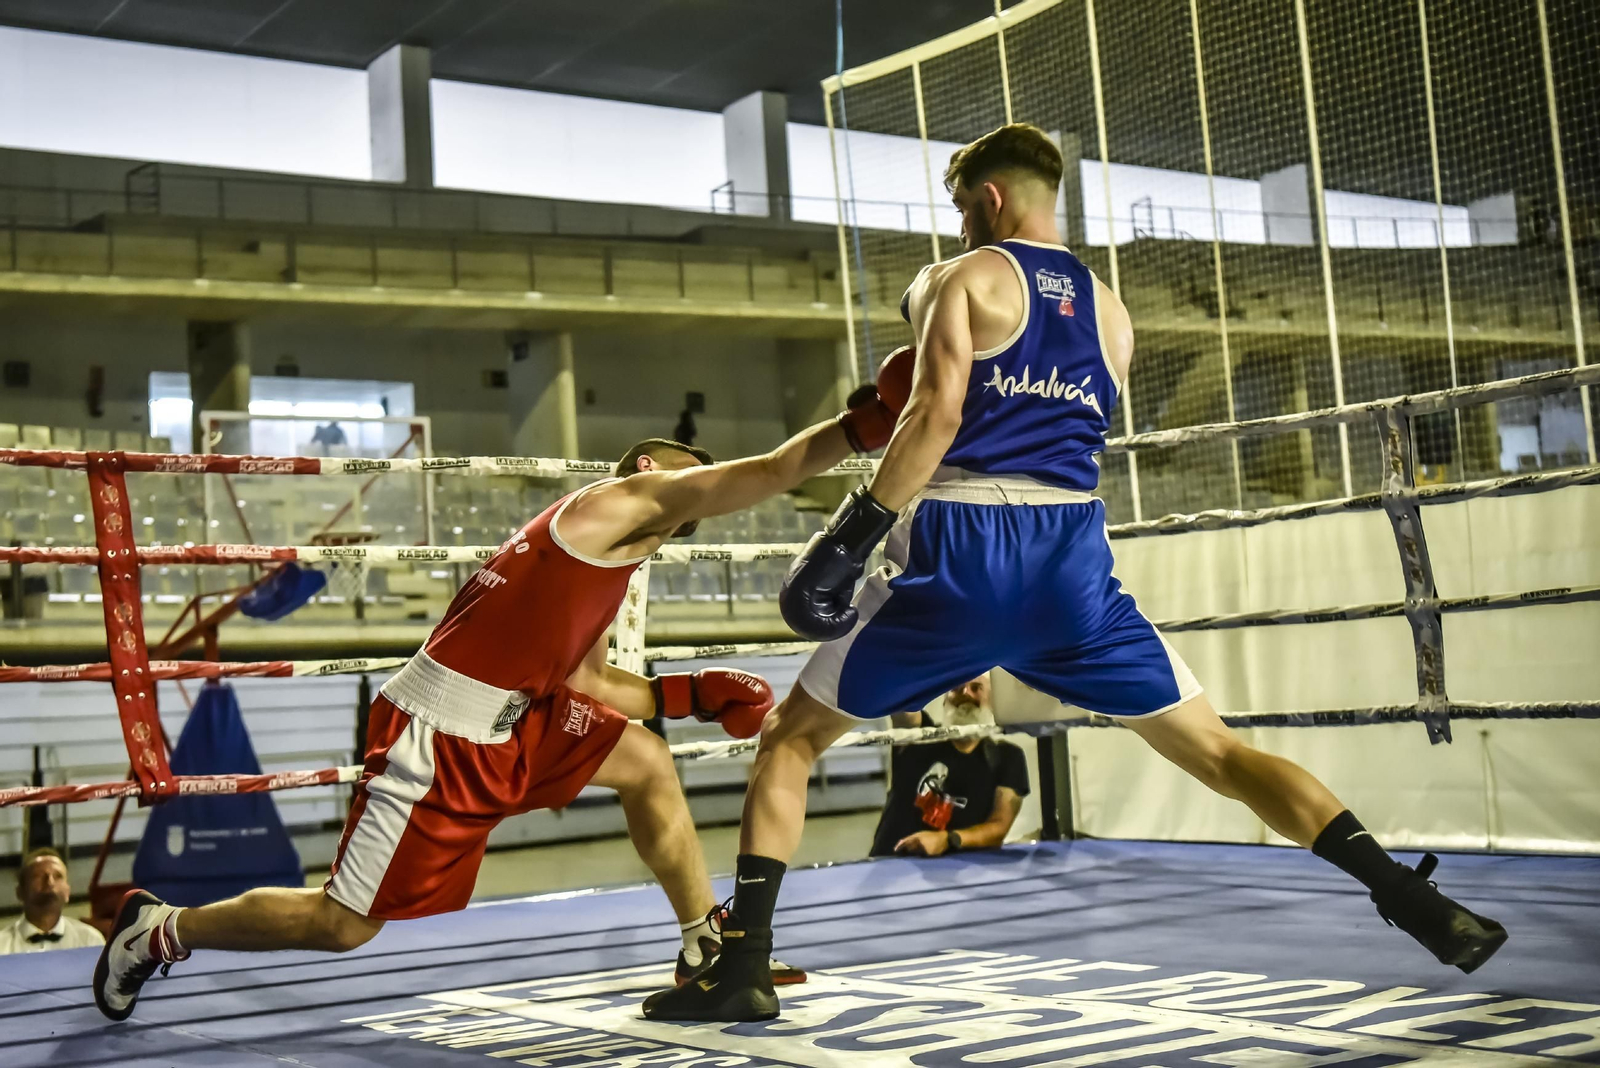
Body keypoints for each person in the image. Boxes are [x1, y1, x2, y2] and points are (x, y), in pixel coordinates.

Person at [644, 123, 1507, 1023]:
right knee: (1221, 753)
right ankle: (1409, 896)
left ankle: (743, 968)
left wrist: (848, 538)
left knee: (790, 739)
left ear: (987, 199)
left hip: (961, 547)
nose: (961, 224)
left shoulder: (959, 278)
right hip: (1070, 555)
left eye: (961, 208)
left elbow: (935, 417)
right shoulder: (1113, 314)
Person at [92, 354, 913, 1022]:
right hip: (439, 733)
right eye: (692, 476)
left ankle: (703, 942)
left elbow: (590, 682)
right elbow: (769, 471)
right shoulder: (618, 498)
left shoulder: (607, 561)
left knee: (646, 764)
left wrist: (690, 696)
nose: (701, 490)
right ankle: (160, 930)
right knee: (343, 924)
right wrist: (865, 428)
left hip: (519, 720)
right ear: (650, 467)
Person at [870, 674, 1029, 859]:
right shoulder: (920, 736)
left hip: (956, 868)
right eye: (956, 687)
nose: (965, 692)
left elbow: (999, 827)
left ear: (992, 702)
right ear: (945, 701)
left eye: (976, 688)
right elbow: (902, 704)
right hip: (890, 863)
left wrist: (948, 839)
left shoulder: (1007, 757)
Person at [2, 848, 105, 955]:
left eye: (58, 876)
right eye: (38, 876)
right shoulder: (2, 945)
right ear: (20, 892)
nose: (50, 882)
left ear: (67, 892)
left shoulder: (90, 941)